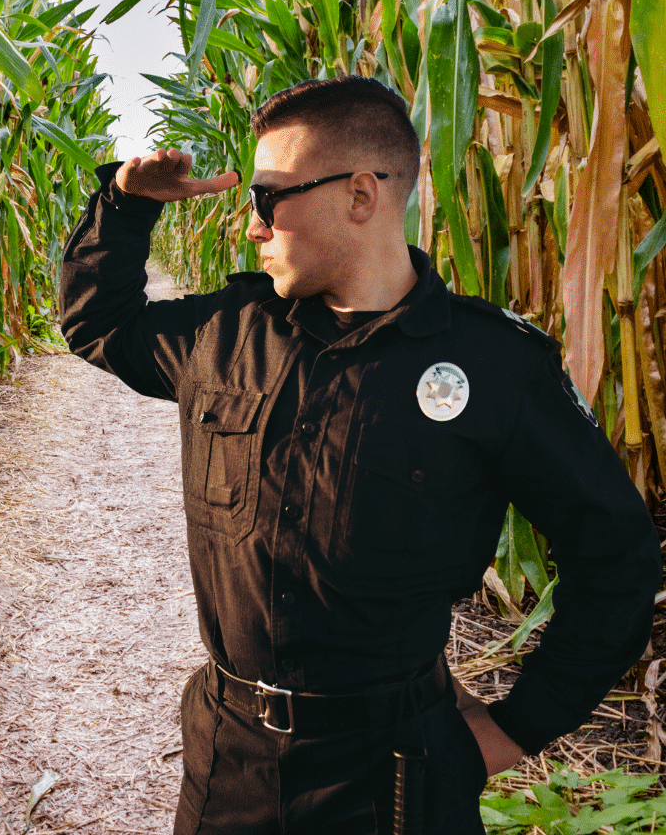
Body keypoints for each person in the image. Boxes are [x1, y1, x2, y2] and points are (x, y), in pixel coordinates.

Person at [58, 76, 661, 834]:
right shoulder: (228, 335)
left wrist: (520, 725)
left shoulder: (493, 366)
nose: (252, 226)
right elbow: (97, 324)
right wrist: (126, 200)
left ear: (362, 194)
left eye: (267, 197)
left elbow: (616, 555)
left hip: (395, 774)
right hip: (227, 761)